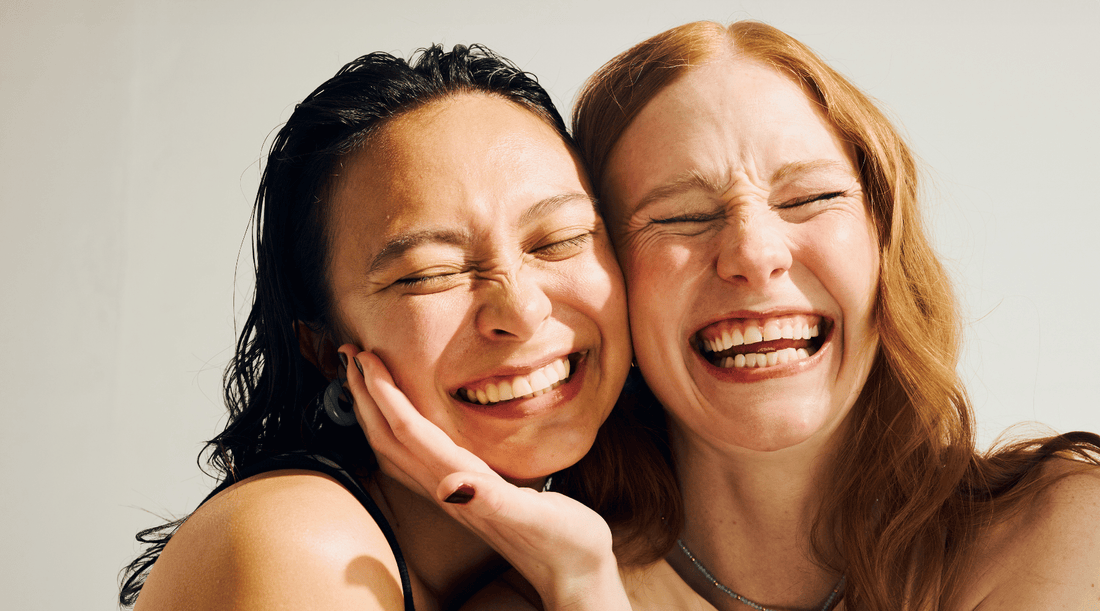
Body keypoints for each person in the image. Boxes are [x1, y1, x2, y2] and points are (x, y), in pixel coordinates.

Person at [344, 19, 1100, 611]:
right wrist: (585, 587)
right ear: (608, 281)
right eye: (682, 216)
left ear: (883, 244)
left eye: (810, 197)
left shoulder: (1065, 532)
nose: (754, 252)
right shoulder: (545, 592)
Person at [118, 43, 676, 611]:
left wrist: (578, 572)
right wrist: (581, 582)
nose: (523, 310)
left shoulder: (599, 534)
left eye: (559, 240)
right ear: (327, 348)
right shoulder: (300, 544)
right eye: (431, 274)